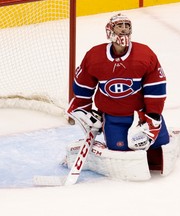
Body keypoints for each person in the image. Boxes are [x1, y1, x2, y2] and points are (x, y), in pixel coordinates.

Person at [67, 13, 169, 172]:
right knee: (120, 152)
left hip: (141, 116)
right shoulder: (95, 56)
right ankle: (102, 146)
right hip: (113, 117)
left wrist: (154, 115)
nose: (124, 29)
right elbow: (83, 86)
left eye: (127, 26)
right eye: (119, 26)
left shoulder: (144, 54)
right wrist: (84, 110)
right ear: (110, 30)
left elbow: (155, 85)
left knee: (157, 148)